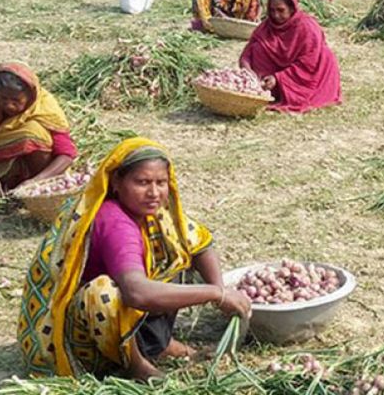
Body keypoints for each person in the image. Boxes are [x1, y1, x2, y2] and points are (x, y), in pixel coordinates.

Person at [17, 138, 252, 380]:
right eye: (142, 182)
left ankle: (159, 345)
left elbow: (200, 243)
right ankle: (135, 365)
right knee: (103, 293)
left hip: (120, 314)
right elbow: (136, 293)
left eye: (161, 183)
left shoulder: (153, 213)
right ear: (116, 182)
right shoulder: (114, 221)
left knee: (175, 253)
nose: (154, 193)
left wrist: (220, 290)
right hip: (76, 335)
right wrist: (215, 293)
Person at [0, 63, 77, 198]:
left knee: (34, 133)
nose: (9, 105)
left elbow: (67, 154)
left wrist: (36, 182)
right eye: (3, 99)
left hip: (30, 168)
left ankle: (29, 187)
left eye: (16, 100)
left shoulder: (45, 105)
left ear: (30, 96)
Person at [240, 0, 342, 113]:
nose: (276, 15)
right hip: (270, 80)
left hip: (307, 76)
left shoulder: (307, 27)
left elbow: (308, 63)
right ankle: (269, 90)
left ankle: (284, 91)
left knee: (324, 55)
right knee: (258, 48)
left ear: (292, 9)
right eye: (272, 10)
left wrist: (278, 78)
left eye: (281, 10)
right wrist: (249, 74)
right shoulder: (266, 27)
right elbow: (246, 55)